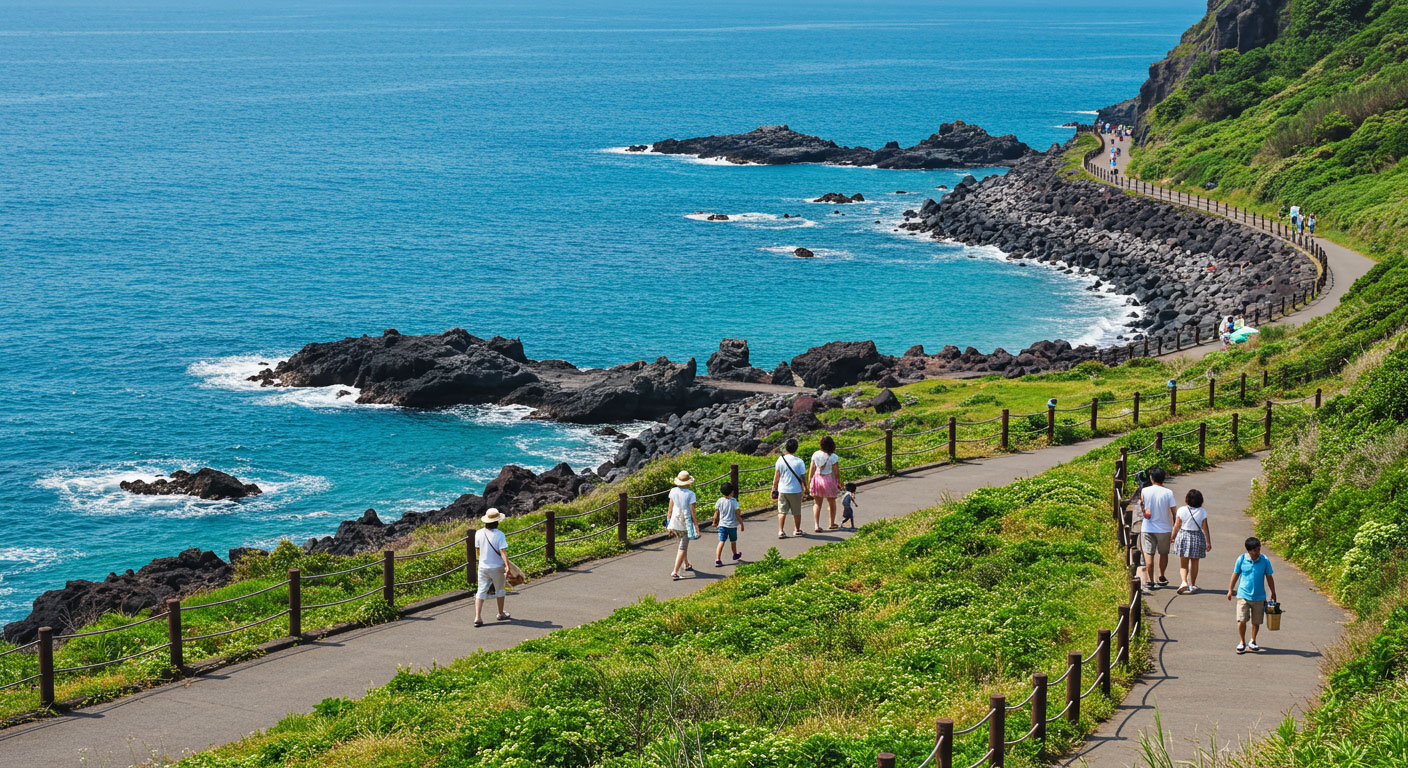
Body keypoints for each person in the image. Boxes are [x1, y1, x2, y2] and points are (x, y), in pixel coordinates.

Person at [1227, 536, 1277, 653]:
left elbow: (1269, 577)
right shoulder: (1241, 559)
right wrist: (1230, 589)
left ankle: (1253, 641)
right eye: (1255, 550)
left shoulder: (1264, 560)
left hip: (1259, 596)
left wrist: (1273, 592)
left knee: (1256, 621)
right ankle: (1242, 642)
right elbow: (1235, 574)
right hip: (1243, 594)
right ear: (1249, 551)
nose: (1257, 553)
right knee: (1241, 619)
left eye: (1259, 549)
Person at [1138, 467, 1177, 590]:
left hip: (1148, 527)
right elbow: (1174, 512)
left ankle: (1150, 580)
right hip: (1165, 528)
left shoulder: (1144, 490)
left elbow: (1143, 508)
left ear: (1152, 478)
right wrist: (1175, 529)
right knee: (1163, 553)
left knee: (1149, 553)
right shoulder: (1168, 493)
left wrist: (1144, 510)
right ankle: (1161, 576)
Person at [473, 508, 512, 627]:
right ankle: (500, 613)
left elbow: (477, 549)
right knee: (500, 590)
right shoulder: (500, 534)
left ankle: (478, 617)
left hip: (483, 566)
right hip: (497, 567)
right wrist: (507, 566)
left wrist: (482, 560)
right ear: (497, 521)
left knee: (481, 591)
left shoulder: (478, 533)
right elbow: (502, 551)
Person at [1171, 489, 1213, 593]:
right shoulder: (1202, 512)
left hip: (1183, 536)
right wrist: (1208, 542)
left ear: (1187, 500)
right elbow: (1205, 528)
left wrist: (1173, 536)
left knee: (1183, 563)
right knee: (1195, 562)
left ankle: (1184, 581)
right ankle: (1192, 585)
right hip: (1197, 537)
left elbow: (1177, 525)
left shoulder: (1181, 510)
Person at [665, 470, 700, 580]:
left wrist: (668, 520)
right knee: (682, 547)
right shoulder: (691, 494)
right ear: (689, 482)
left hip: (675, 521)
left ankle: (687, 564)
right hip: (686, 523)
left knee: (682, 543)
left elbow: (670, 508)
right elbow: (692, 512)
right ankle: (675, 572)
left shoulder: (673, 491)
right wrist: (696, 526)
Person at [772, 438, 807, 538]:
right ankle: (797, 530)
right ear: (796, 448)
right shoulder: (799, 461)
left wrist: (774, 488)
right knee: (796, 512)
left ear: (786, 447)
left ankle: (781, 531)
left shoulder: (780, 459)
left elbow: (776, 476)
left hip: (782, 489)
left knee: (782, 511)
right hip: (795, 489)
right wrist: (806, 488)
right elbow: (802, 477)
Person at [808, 435, 842, 531]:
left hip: (817, 479)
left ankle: (816, 525)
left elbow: (812, 469)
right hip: (829, 480)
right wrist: (838, 482)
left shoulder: (815, 454)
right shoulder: (834, 457)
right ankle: (831, 523)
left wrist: (810, 481)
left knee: (817, 503)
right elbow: (836, 472)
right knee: (832, 502)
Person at [712, 481, 743, 566]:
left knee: (721, 541)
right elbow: (738, 514)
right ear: (732, 492)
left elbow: (716, 513)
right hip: (732, 525)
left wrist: (714, 522)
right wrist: (741, 524)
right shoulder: (734, 502)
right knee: (733, 541)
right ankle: (735, 554)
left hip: (722, 525)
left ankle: (718, 559)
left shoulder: (719, 501)